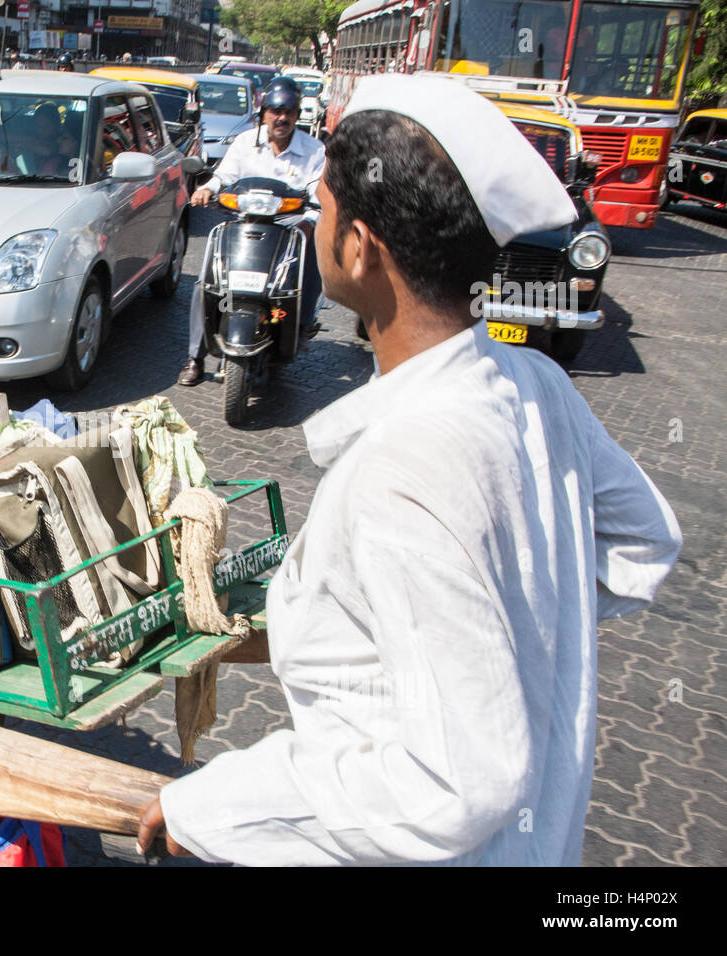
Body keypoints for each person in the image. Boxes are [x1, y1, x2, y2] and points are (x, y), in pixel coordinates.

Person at [137, 74, 682, 866]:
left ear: (360, 247)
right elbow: (642, 541)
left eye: (324, 209)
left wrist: (215, 808)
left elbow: (457, 786)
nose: (320, 225)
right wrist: (518, 622)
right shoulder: (537, 384)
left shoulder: (403, 471)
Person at [178, 78, 325, 386]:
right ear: (264, 113)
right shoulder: (245, 142)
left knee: (309, 262)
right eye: (275, 110)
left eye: (289, 112)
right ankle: (195, 356)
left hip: (287, 233)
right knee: (207, 282)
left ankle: (300, 321)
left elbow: (317, 195)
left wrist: (307, 222)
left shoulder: (314, 150)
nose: (281, 118)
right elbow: (224, 176)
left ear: (298, 115)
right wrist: (206, 189)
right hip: (244, 228)